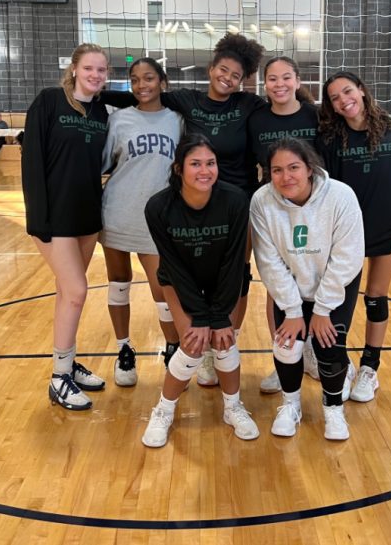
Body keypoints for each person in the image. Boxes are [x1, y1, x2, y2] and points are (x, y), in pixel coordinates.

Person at [155, 34, 267, 386]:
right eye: (223, 70)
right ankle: (203, 351)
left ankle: (226, 343)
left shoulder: (249, 104)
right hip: (199, 198)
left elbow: (288, 111)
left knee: (237, 274)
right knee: (199, 272)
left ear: (243, 80)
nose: (228, 78)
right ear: (210, 69)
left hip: (240, 203)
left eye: (236, 75)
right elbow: (143, 95)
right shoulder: (187, 100)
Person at [141, 134, 257, 448]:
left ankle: (232, 408)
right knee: (192, 343)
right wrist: (201, 316)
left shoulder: (234, 201)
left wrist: (219, 316)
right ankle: (163, 410)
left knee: (225, 340)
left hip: (224, 281)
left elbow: (234, 262)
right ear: (179, 168)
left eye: (210, 163)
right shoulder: (158, 207)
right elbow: (174, 267)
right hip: (181, 283)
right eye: (195, 164)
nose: (204, 170)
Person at [21, 43, 114, 411]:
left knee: (66, 294)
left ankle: (67, 364)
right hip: (54, 218)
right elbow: (32, 163)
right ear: (74, 69)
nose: (95, 75)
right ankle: (58, 379)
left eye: (102, 70)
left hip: (87, 216)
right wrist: (38, 220)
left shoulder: (102, 111)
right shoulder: (48, 102)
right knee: (77, 291)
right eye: (89, 68)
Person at [251, 138, 364, 440]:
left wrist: (323, 308)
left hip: (334, 283)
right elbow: (268, 260)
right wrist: (291, 310)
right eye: (277, 170)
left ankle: (333, 408)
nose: (286, 177)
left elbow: (347, 258)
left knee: (329, 346)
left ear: (310, 168)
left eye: (293, 168)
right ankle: (291, 406)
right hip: (292, 286)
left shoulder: (341, 196)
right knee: (286, 346)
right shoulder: (262, 201)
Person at [317, 71, 391, 403]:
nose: (343, 99)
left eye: (347, 91)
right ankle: (341, 364)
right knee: (340, 303)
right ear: (331, 105)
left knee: (376, 298)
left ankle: (370, 368)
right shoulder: (331, 138)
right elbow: (328, 189)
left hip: (386, 227)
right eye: (334, 97)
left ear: (361, 90)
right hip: (346, 231)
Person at [100, 57, 183, 387]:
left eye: (148, 78)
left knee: (162, 288)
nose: (141, 85)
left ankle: (173, 347)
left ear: (162, 81)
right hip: (117, 212)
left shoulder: (177, 120)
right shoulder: (119, 119)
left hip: (156, 218)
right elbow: (105, 163)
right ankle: (123, 349)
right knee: (118, 281)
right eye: (135, 79)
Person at [246, 56, 321, 394]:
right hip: (275, 208)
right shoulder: (256, 119)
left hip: (312, 207)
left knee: (312, 279)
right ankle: (284, 357)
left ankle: (310, 353)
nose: (279, 84)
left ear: (298, 80)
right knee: (278, 285)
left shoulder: (314, 115)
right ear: (264, 84)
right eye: (272, 79)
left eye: (286, 77)